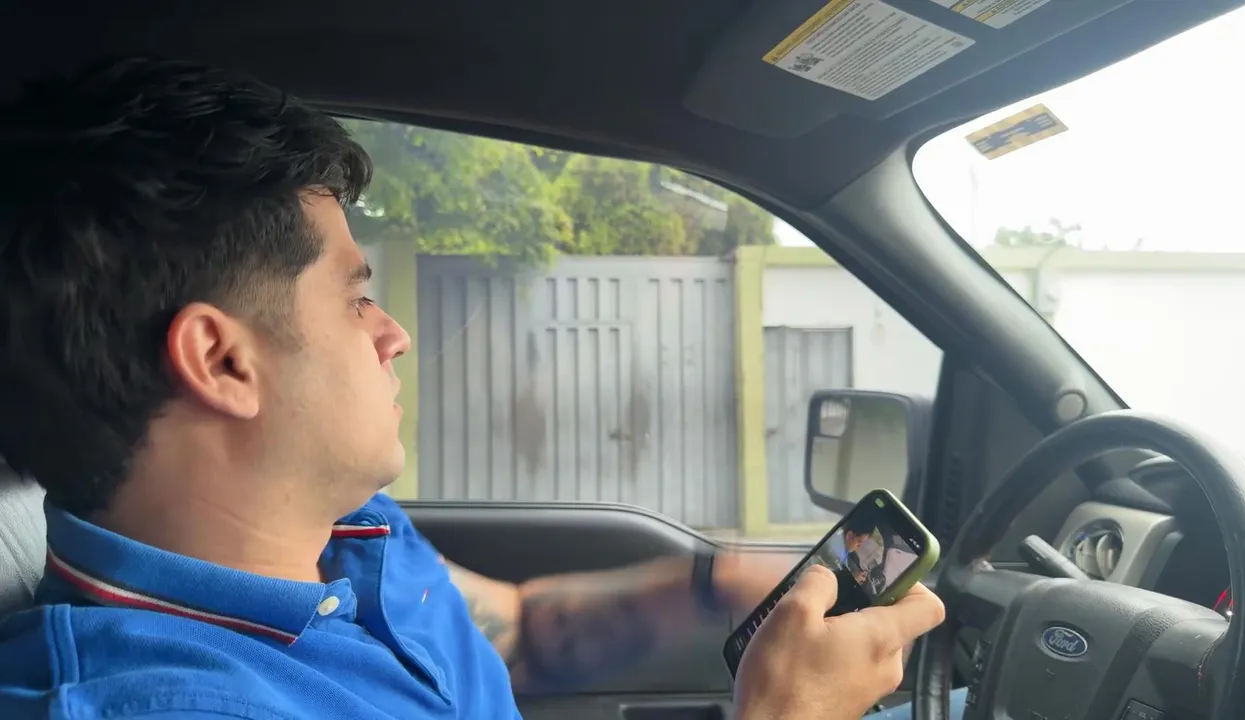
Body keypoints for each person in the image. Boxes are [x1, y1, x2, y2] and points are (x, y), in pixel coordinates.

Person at [0, 56, 946, 719]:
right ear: (222, 362)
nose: (394, 334)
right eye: (355, 298)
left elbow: (520, 634)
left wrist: (719, 581)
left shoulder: (341, 533)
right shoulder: (144, 704)